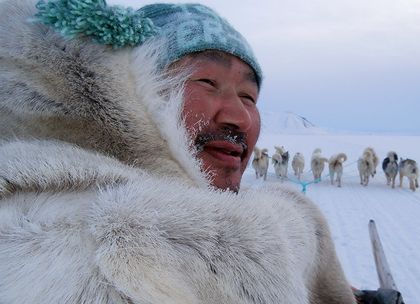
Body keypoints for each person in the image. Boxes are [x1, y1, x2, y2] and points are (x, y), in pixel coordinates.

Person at [0, 0, 358, 303]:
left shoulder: (194, 204)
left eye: (249, 96)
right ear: (129, 91)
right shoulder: (54, 244)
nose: (239, 116)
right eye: (207, 82)